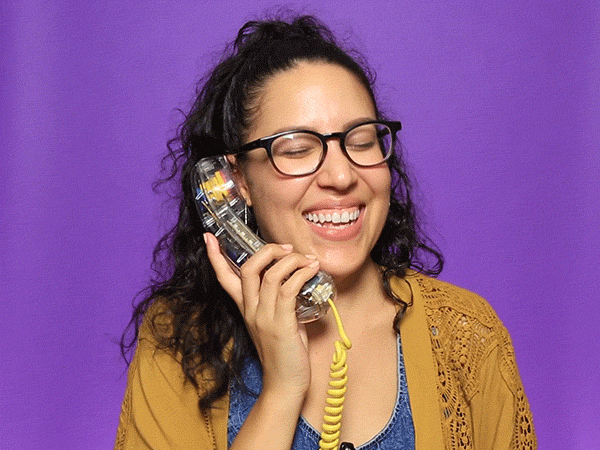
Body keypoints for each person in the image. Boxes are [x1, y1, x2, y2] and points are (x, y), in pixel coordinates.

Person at [115, 15, 536, 450]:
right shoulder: (177, 343)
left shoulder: (468, 335)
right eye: (298, 148)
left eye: (361, 141)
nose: (341, 175)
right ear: (237, 182)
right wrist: (282, 390)